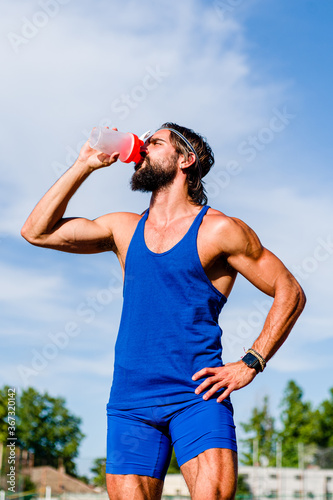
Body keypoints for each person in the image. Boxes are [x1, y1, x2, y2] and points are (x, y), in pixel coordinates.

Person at [21, 122, 306, 500]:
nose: (141, 149)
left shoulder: (219, 230)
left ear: (185, 160)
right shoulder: (122, 228)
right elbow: (36, 232)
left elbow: (290, 291)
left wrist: (251, 361)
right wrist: (83, 166)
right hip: (130, 403)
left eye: (154, 142)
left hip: (198, 396)